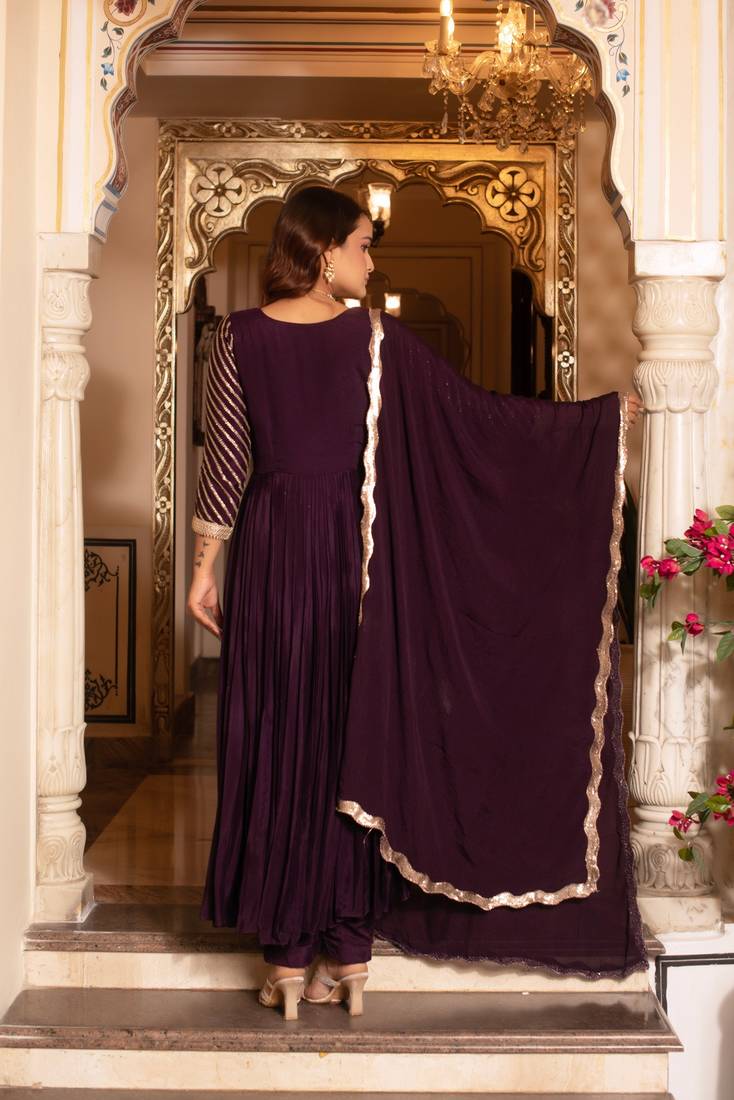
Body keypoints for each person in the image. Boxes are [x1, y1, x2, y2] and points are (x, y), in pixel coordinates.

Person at [187, 184, 644, 1022]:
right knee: (347, 741)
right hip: (357, 559)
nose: (371, 261)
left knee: (281, 740)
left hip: (274, 550)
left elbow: (227, 462)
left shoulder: (239, 337)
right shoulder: (375, 340)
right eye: (362, 245)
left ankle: (286, 958)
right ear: (324, 251)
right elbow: (481, 422)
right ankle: (350, 952)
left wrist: (205, 567)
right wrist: (596, 424)